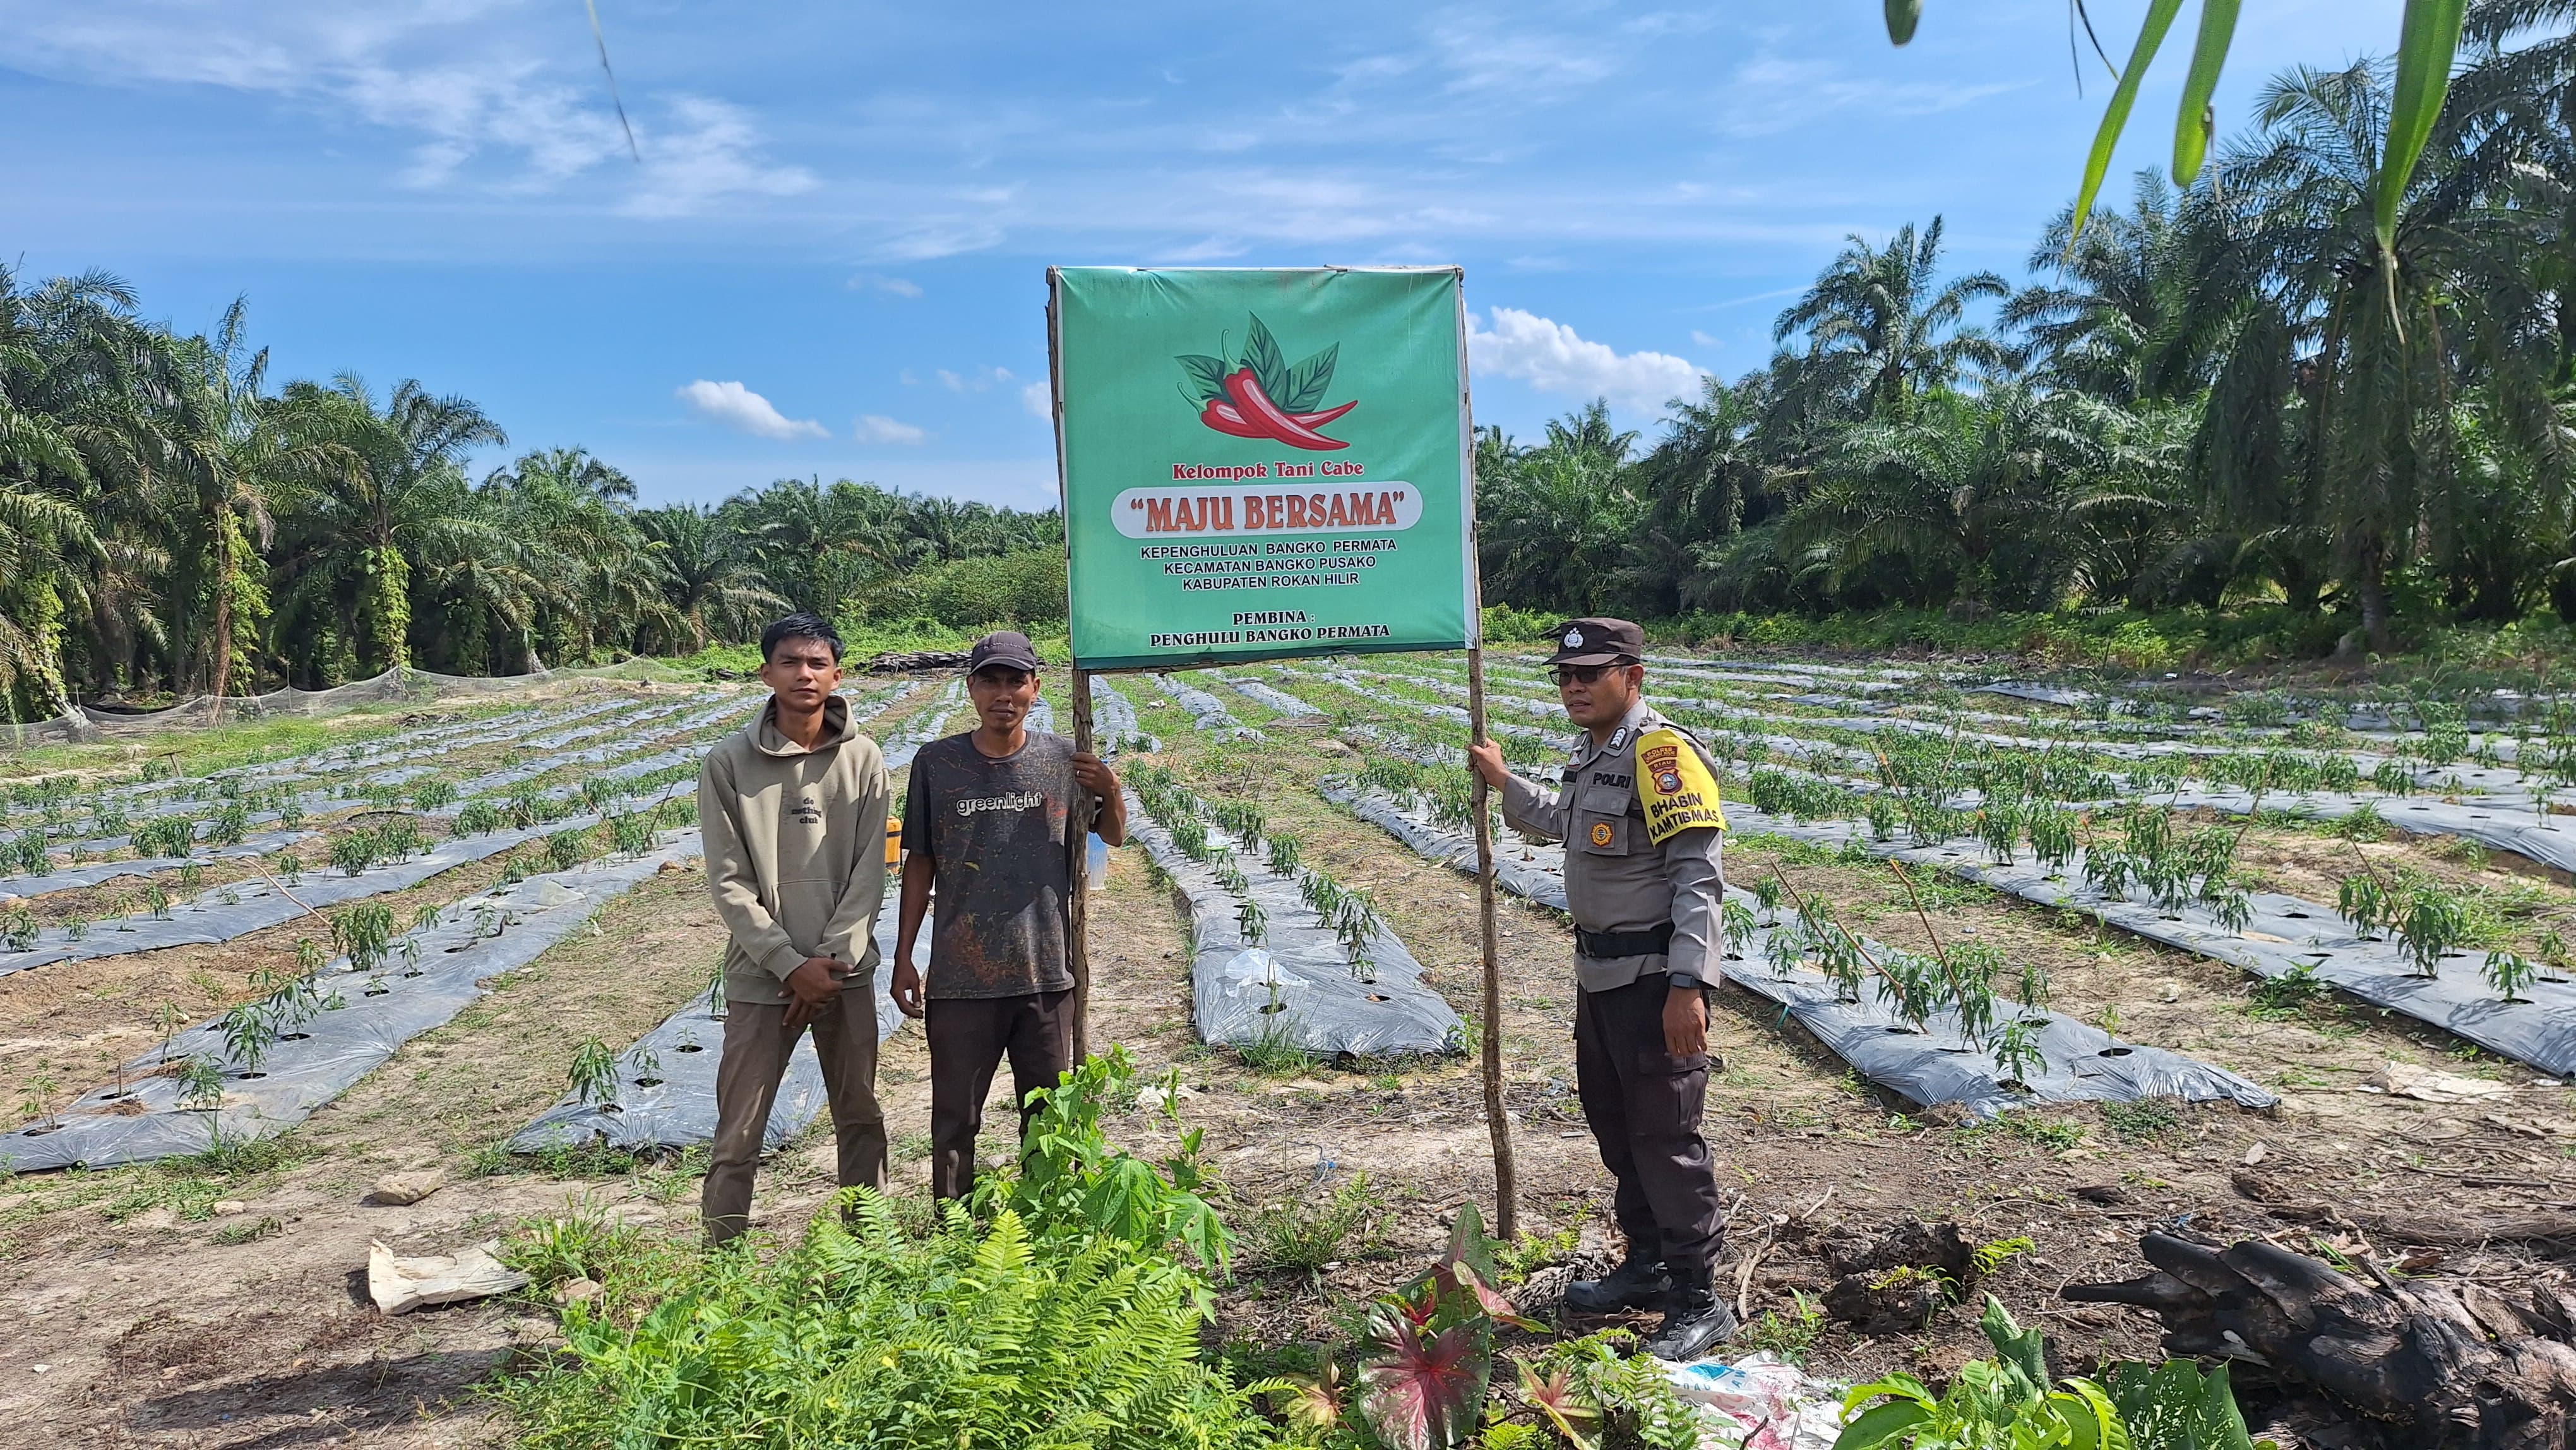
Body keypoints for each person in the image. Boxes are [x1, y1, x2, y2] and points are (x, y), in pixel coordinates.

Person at [1465, 616, 1736, 1360]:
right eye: (1565, 675)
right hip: (1600, 978)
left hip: (1654, 981)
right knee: (1618, 1128)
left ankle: (1697, 1296)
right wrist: (1502, 781)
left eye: (1592, 673)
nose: (1575, 686)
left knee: (1666, 1137)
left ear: (1634, 677)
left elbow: (1698, 878)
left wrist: (1690, 985)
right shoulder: (1592, 754)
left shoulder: (1663, 755)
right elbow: (1560, 822)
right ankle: (1646, 1265)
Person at [892, 630, 1128, 1200]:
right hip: (960, 978)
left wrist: (1112, 790)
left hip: (1047, 974)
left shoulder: (1063, 761)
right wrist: (904, 956)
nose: (1004, 693)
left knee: (1048, 1119)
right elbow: (919, 862)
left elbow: (1112, 837)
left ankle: (1046, 1218)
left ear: (1035, 688)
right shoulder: (937, 764)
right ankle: (952, 1229)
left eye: (1015, 681)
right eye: (991, 680)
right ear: (971, 689)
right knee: (954, 1118)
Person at [696, 612, 892, 1245]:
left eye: (816, 663)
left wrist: (829, 963)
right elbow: (729, 882)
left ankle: (868, 1254)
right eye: (789, 661)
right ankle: (723, 1265)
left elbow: (870, 873)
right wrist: (789, 964)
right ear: (766, 672)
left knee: (859, 1116)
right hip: (763, 978)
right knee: (739, 1131)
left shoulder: (864, 760)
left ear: (838, 673)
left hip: (844, 975)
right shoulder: (727, 763)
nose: (803, 674)